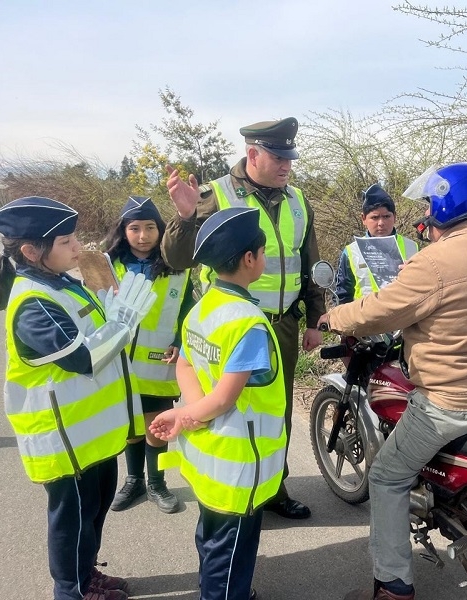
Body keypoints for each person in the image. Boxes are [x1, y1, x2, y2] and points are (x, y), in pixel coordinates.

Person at [317, 163, 467, 600]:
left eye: (431, 203)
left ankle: (392, 585)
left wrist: (334, 316)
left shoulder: (434, 261)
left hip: (451, 399)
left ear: (449, 202)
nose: (428, 211)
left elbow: (383, 309)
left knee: (388, 476)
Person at [160, 117, 324, 519]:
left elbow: (310, 261)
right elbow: (177, 259)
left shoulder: (299, 201)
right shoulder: (215, 194)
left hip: (280, 327)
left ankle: (272, 488)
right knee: (224, 410)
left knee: (274, 412)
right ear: (253, 154)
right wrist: (185, 219)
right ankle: (226, 494)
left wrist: (316, 317)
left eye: (290, 158)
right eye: (277, 157)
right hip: (229, 324)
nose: (287, 165)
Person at [0, 196, 156, 600]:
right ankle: (72, 589)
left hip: (91, 436)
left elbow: (96, 333)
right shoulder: (33, 302)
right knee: (73, 521)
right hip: (64, 441)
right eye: (66, 241)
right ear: (32, 251)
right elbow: (83, 359)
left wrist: (114, 312)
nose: (77, 248)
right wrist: (122, 323)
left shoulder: (64, 282)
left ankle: (86, 574)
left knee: (95, 512)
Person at [150, 207, 286, 600]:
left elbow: (187, 364)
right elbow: (227, 397)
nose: (264, 258)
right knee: (232, 552)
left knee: (212, 539)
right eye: (263, 252)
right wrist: (190, 414)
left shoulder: (202, 308)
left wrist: (191, 413)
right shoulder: (248, 323)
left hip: (210, 457)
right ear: (249, 259)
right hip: (240, 463)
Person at [102, 196, 195, 514]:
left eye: (150, 227)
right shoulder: (108, 265)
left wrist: (181, 344)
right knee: (130, 427)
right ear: (123, 231)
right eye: (135, 228)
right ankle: (133, 481)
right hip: (120, 363)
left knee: (156, 425)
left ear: (161, 230)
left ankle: (156, 483)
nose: (142, 235)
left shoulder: (178, 268)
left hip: (159, 364)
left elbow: (189, 312)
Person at [333, 183, 419, 304]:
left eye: (386, 216)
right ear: (363, 219)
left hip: (403, 318)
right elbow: (342, 295)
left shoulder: (413, 247)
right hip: (364, 320)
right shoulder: (351, 252)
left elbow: (425, 289)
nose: (381, 223)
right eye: (374, 217)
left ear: (395, 217)